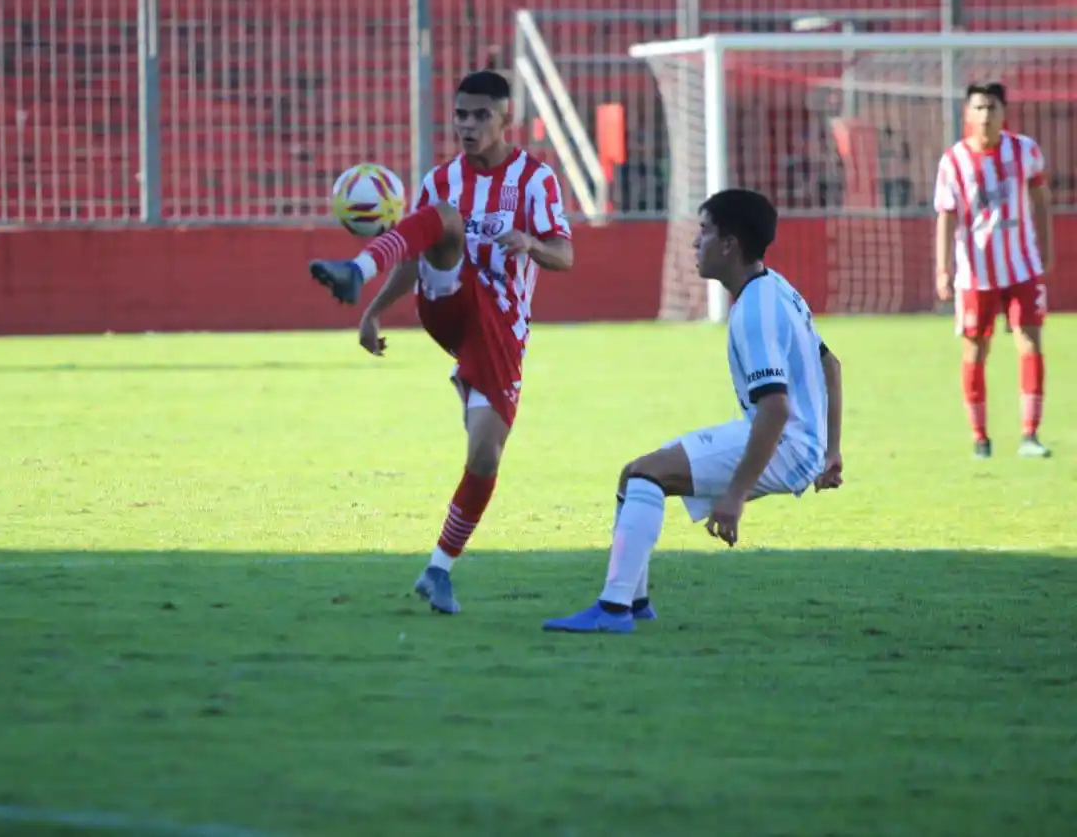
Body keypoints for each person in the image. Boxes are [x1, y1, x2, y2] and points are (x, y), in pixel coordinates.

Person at [308, 70, 574, 614]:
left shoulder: (535, 180)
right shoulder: (441, 181)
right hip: (448, 302)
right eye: (460, 115)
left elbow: (565, 256)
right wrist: (373, 309)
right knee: (445, 219)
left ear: (507, 120)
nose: (467, 125)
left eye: (480, 115)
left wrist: (528, 242)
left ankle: (439, 570)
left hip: (499, 328)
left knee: (484, 455)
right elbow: (415, 256)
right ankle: (355, 267)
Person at [542, 188, 843, 634]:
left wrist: (735, 496)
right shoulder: (778, 289)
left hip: (783, 441)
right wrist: (831, 450)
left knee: (649, 475)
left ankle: (613, 610)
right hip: (799, 442)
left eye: (703, 232)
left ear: (729, 244)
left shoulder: (754, 311)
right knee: (635, 475)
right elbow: (830, 365)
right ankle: (635, 600)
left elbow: (776, 408)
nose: (694, 243)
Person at [933, 81, 1053, 459]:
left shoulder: (1025, 151)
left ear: (1004, 113)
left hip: (1022, 267)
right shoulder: (953, 161)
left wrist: (1046, 250)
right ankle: (980, 438)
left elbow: (1040, 200)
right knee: (975, 349)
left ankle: (1030, 434)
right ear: (967, 114)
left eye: (992, 108)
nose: (986, 115)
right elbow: (946, 217)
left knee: (1030, 341)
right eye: (979, 108)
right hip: (975, 273)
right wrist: (942, 269)